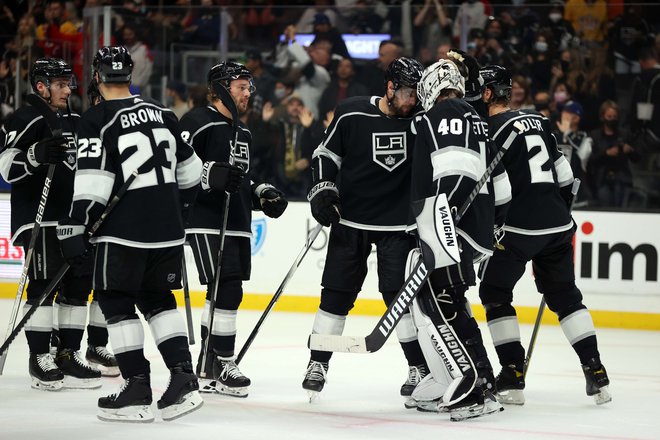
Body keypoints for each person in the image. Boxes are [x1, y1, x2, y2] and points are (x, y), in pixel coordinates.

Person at [57, 46, 204, 422]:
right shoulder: (164, 113)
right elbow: (191, 174)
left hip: (123, 233)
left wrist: (76, 225)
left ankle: (137, 387)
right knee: (158, 300)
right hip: (168, 232)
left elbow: (93, 182)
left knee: (116, 301)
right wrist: (175, 210)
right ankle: (183, 379)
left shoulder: (97, 118)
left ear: (97, 77)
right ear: (130, 75)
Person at [477, 64, 611, 407]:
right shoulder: (539, 120)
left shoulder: (489, 129)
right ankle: (595, 370)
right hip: (558, 225)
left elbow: (495, 186)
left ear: (489, 94)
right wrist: (557, 212)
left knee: (494, 290)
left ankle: (512, 373)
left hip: (518, 228)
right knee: (566, 296)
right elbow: (565, 176)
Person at [304, 57, 428, 406]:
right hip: (351, 221)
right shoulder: (351, 112)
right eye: (407, 94)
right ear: (389, 88)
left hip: (399, 226)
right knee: (336, 295)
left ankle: (418, 367)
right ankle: (318, 362)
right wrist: (324, 189)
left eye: (417, 95)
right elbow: (325, 153)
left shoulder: (420, 120)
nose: (413, 101)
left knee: (398, 298)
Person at [179, 61, 288, 398]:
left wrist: (261, 193)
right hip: (206, 219)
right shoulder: (196, 122)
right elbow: (175, 168)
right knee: (226, 288)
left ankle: (209, 367)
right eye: (241, 87)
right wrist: (210, 174)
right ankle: (224, 361)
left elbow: (241, 178)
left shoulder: (244, 132)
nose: (248, 93)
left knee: (227, 290)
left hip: (238, 220)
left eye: (249, 87)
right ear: (222, 88)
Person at [407, 58, 509, 420]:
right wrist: (492, 223)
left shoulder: (444, 113)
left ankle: (476, 387)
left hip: (449, 224)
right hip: (471, 225)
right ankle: (463, 378)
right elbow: (503, 187)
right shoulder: (476, 119)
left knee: (442, 301)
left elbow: (455, 168)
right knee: (447, 301)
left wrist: (441, 217)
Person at [0, 58, 104, 391]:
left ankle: (67, 354)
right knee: (43, 287)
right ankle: (39, 357)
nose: (67, 89)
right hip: (39, 217)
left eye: (68, 83)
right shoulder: (25, 116)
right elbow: (5, 167)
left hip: (74, 219)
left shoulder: (77, 120)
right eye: (59, 84)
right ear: (41, 87)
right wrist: (35, 155)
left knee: (77, 288)